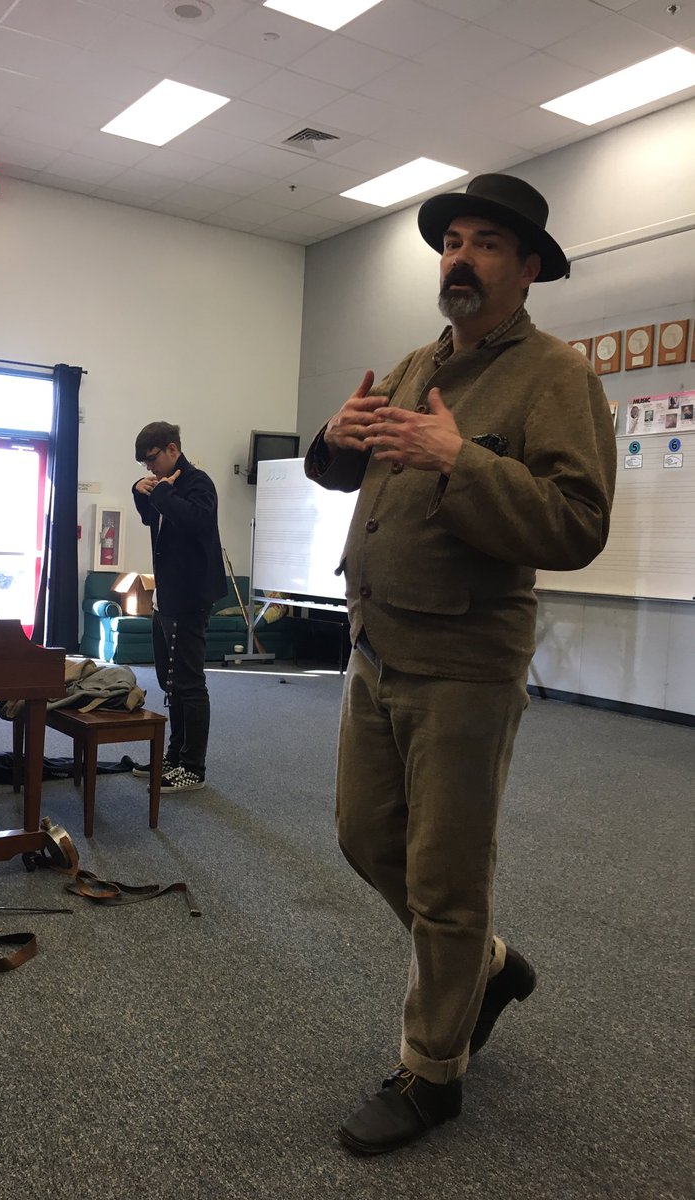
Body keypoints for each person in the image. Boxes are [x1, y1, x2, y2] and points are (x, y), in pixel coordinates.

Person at [305, 174, 616, 1156]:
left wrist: (457, 458)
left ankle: (433, 1073)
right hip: (377, 647)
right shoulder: (411, 365)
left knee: (444, 877)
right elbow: (337, 467)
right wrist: (334, 440)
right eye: (453, 242)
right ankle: (485, 963)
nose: (461, 258)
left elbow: (577, 523)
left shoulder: (556, 376)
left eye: (487, 244)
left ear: (528, 270)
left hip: (466, 665)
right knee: (363, 835)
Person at [130, 421, 226, 793]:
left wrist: (162, 496)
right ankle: (174, 755)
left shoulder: (198, 483)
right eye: (144, 465)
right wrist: (141, 491)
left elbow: (197, 521)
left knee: (189, 683)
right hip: (166, 596)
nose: (149, 468)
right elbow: (148, 516)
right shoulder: (160, 487)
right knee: (169, 682)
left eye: (151, 460)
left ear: (172, 449)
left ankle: (193, 767)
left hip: (190, 597)